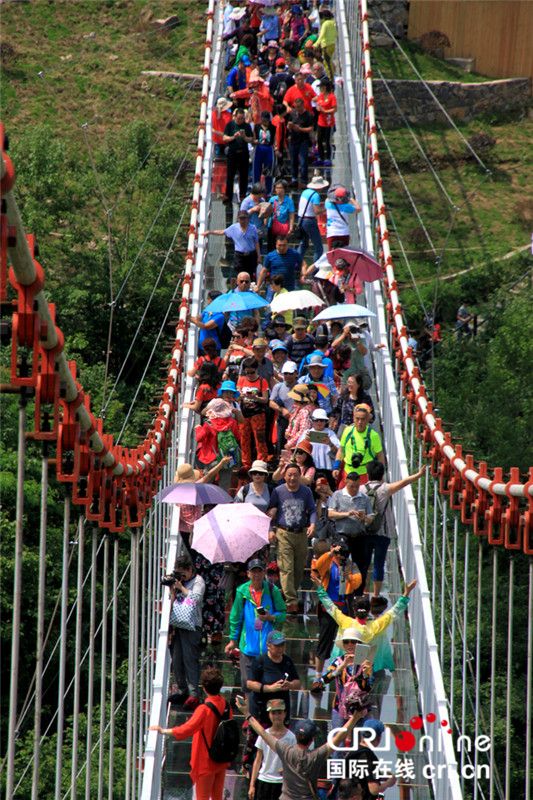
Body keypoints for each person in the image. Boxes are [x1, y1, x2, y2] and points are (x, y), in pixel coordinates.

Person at [236, 697, 367, 800]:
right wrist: (355, 718)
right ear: (312, 740)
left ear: (296, 737)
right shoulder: (315, 756)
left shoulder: (286, 750)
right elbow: (339, 738)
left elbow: (263, 733)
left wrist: (247, 713)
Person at [149, 666, 232, 800]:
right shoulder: (226, 705)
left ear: (204, 688)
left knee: (202, 797)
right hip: (221, 759)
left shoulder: (204, 710)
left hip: (206, 762)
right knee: (217, 797)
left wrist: (164, 731)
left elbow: (187, 729)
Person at [360, 460, 426, 612]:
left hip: (365, 531)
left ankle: (363, 593)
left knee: (364, 564)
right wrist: (420, 474)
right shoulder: (385, 488)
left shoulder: (362, 489)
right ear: (382, 475)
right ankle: (376, 596)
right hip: (383, 532)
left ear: (368, 474)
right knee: (378, 564)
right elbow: (404, 482)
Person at [225, 559, 287, 692]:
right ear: (248, 573)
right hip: (247, 649)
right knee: (248, 687)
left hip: (268, 650)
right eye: (254, 571)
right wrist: (232, 641)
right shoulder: (242, 591)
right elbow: (236, 617)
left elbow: (283, 613)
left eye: (260, 571)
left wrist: (271, 617)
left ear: (265, 572)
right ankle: (249, 712)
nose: (257, 574)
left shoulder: (272, 590)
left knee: (267, 686)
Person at [267, 463, 317, 613]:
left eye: (296, 475)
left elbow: (313, 509)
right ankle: (291, 601)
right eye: (289, 475)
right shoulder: (278, 491)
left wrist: (313, 524)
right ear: (285, 476)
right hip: (283, 533)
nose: (293, 478)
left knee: (298, 568)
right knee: (286, 568)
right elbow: (269, 511)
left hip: (301, 533)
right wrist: (270, 530)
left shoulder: (306, 491)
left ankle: (290, 595)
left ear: (300, 476)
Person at [311, 545, 362, 676]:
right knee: (324, 640)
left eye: (342, 554)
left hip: (344, 609)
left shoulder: (351, 565)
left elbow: (358, 581)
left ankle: (349, 673)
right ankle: (318, 675)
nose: (340, 556)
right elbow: (318, 566)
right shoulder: (329, 561)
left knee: (349, 642)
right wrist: (330, 554)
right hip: (328, 607)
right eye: (338, 553)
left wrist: (349, 577)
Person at [167, 553, 206, 711]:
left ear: (191, 569)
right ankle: (182, 691)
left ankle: (193, 694)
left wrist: (181, 587)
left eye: (183, 573)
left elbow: (195, 599)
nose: (181, 576)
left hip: (192, 626)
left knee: (190, 659)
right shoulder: (180, 581)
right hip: (177, 624)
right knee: (177, 660)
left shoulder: (198, 581)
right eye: (179, 573)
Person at [328, 472, 374, 586]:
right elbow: (330, 513)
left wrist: (364, 518)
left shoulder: (364, 497)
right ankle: (341, 591)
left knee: (360, 565)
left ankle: (358, 592)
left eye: (356, 486)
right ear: (346, 483)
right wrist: (347, 514)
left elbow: (371, 516)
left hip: (358, 535)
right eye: (351, 486)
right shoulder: (338, 495)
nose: (354, 489)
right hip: (342, 535)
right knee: (341, 564)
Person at [247, 630, 301, 726]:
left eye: (282, 645)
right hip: (262, 709)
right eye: (277, 645)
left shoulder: (287, 661)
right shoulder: (260, 661)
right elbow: (250, 683)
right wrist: (269, 688)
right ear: (268, 646)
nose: (280, 648)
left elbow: (297, 681)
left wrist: (290, 685)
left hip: (282, 709)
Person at [249, 698, 297, 800]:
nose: (276, 716)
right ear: (269, 715)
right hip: (264, 780)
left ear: (284, 713)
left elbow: (294, 761)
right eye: (273, 713)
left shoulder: (291, 737)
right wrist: (252, 785)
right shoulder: (264, 734)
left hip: (282, 783)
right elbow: (258, 760)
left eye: (279, 713)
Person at [344, 719, 398, 800]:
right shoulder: (370, 758)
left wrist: (379, 776)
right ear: (379, 738)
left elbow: (360, 776)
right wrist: (389, 783)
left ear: (361, 734)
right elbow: (374, 790)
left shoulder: (353, 752)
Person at [194, 398, 241, 489]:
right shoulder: (232, 422)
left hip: (211, 458)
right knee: (224, 486)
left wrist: (198, 428)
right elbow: (237, 437)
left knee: (206, 486)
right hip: (227, 458)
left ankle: (206, 503)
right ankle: (223, 503)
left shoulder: (209, 423)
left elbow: (199, 438)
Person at [204, 210, 262, 281]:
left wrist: (259, 256)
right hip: (239, 255)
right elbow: (222, 232)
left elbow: (256, 242)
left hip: (250, 255)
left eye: (244, 218)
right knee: (238, 274)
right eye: (241, 219)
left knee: (249, 275)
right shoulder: (234, 228)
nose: (243, 221)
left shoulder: (252, 228)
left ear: (247, 219)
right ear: (238, 219)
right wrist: (210, 232)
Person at [333, 404, 385, 483]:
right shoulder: (347, 431)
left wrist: (380, 475)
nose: (359, 422)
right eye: (357, 419)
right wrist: (336, 467)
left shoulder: (373, 435)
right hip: (348, 472)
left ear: (367, 419)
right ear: (353, 418)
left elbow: (380, 455)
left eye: (363, 419)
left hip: (365, 474)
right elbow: (341, 450)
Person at [237, 356, 271, 468]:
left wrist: (255, 397)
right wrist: (240, 396)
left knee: (260, 439)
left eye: (252, 372)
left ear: (256, 369)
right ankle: (246, 463)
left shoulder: (262, 381)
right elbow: (236, 397)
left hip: (258, 414)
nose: (250, 375)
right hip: (244, 414)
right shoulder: (242, 380)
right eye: (247, 372)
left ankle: (261, 462)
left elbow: (265, 399)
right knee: (244, 439)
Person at [222, 106, 254, 203]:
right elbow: (224, 138)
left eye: (242, 119)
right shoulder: (230, 125)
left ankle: (242, 194)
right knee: (230, 174)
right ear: (235, 117)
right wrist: (233, 137)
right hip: (233, 152)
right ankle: (228, 194)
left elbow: (251, 139)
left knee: (243, 174)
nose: (240, 120)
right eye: (238, 118)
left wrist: (244, 137)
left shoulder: (247, 126)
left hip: (243, 152)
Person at [297, 175, 327, 263]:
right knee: (318, 247)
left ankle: (296, 264)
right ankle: (315, 270)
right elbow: (317, 210)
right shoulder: (315, 195)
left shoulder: (305, 192)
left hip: (301, 220)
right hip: (310, 221)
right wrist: (325, 209)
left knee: (303, 244)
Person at [298, 407, 339, 472]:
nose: (319, 422)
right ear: (313, 421)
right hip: (309, 469)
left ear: (325, 422)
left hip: (326, 469)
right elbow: (298, 451)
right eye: (316, 420)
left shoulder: (330, 434)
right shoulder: (307, 433)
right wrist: (305, 441)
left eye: (321, 420)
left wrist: (330, 443)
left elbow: (337, 452)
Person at [269, 360, 298, 454]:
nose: (288, 376)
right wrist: (282, 410)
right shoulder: (278, 386)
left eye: (290, 373)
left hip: (298, 420)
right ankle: (282, 463)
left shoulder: (300, 387)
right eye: (285, 373)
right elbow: (271, 402)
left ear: (296, 373)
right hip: (283, 419)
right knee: (281, 443)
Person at [286, 95, 314, 187]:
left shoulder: (308, 115)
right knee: (293, 160)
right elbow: (288, 125)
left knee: (303, 161)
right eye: (295, 107)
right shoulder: (292, 114)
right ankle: (294, 178)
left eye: (298, 107)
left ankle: (303, 180)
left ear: (302, 106)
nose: (297, 109)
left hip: (303, 140)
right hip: (293, 140)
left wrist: (300, 129)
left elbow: (311, 128)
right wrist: (290, 127)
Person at [190, 290, 227, 354]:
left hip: (213, 349)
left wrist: (190, 319)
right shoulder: (207, 310)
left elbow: (206, 326)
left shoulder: (220, 316)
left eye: (209, 300)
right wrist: (191, 317)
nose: (208, 302)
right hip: (202, 347)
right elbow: (198, 318)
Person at [253, 111, 277, 194]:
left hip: (268, 149)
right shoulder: (257, 126)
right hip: (259, 148)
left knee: (269, 171)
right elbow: (254, 138)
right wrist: (254, 142)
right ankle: (256, 189)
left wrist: (276, 148)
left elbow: (274, 140)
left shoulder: (273, 128)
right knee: (256, 170)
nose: (265, 122)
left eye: (266, 120)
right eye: (263, 120)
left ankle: (268, 192)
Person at [314, 77, 337, 166]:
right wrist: (318, 108)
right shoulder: (320, 96)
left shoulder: (331, 97)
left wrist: (325, 111)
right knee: (319, 140)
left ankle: (328, 158)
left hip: (329, 122)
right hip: (321, 121)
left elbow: (334, 109)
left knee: (327, 140)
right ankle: (320, 157)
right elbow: (318, 105)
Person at [284, 383, 313, 450]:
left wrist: (290, 443)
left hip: (297, 445)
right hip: (293, 443)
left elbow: (303, 432)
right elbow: (291, 424)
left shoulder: (305, 412)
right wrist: (287, 431)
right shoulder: (297, 409)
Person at [315, 8, 337, 82]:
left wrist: (316, 44)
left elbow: (321, 35)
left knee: (327, 63)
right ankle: (331, 77)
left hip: (326, 45)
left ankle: (330, 79)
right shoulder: (333, 24)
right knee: (329, 62)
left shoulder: (325, 24)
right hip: (332, 44)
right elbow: (336, 34)